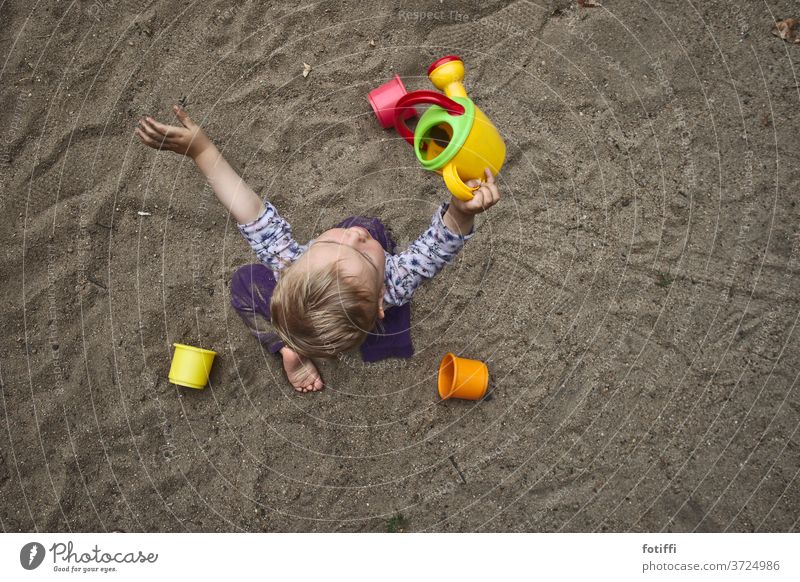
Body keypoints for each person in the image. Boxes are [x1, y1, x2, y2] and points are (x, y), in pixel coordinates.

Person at [137, 105, 500, 393]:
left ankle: (290, 346)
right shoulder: (396, 283)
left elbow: (248, 211)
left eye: (333, 242)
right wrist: (459, 211)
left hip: (306, 295)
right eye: (359, 253)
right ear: (378, 303)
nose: (352, 235)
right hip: (366, 313)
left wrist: (202, 151)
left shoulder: (288, 261)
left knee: (245, 283)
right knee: (374, 231)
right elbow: (437, 246)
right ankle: (296, 346)